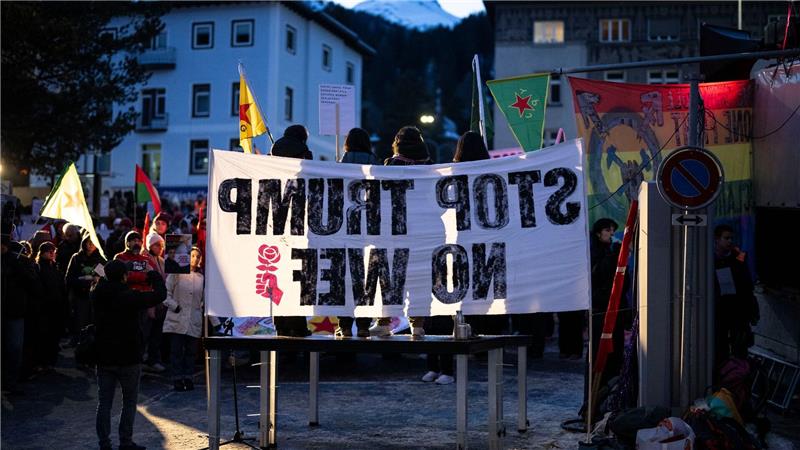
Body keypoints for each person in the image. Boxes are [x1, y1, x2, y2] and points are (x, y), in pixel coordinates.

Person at [92, 260, 167, 450]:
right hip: (128, 356)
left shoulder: (96, 293)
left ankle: (104, 444)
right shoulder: (129, 296)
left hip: (104, 355)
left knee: (104, 403)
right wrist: (152, 274)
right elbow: (160, 295)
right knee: (129, 401)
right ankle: (125, 442)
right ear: (124, 276)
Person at [371, 126, 431, 338]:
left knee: (389, 277)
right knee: (419, 278)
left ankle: (384, 322)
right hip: (423, 229)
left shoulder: (391, 165)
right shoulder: (429, 167)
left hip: (393, 229)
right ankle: (418, 325)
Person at [269, 125, 312, 339]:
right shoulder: (305, 153)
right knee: (297, 279)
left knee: (280, 276)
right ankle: (298, 327)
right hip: (298, 222)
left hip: (277, 222)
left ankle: (281, 326)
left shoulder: (274, 150)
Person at [335, 127, 376, 338]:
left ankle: (344, 325)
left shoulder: (338, 167)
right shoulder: (378, 166)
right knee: (366, 280)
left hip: (344, 232)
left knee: (345, 279)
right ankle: (363, 325)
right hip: (370, 233)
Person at [713, 224, 759, 370]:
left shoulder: (737, 259)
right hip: (719, 312)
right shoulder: (710, 260)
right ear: (717, 240)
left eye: (731, 238)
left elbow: (746, 288)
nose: (730, 241)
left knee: (739, 348)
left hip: (737, 312)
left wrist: (751, 312)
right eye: (726, 238)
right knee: (720, 348)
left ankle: (736, 377)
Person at [162, 247, 205, 391]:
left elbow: (205, 299)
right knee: (176, 351)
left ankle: (188, 377)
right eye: (193, 255)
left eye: (198, 256)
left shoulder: (201, 278)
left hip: (193, 319)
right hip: (177, 318)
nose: (195, 258)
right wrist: (175, 306)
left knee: (191, 352)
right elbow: (165, 294)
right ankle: (177, 379)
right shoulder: (176, 274)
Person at [1, 237, 39, 394]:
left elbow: (32, 282)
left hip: (14, 310)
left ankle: (10, 381)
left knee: (14, 348)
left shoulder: (19, 258)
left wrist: (16, 265)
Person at [65, 234, 107, 346]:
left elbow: (102, 278)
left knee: (93, 321)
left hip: (95, 296)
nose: (90, 245)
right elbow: (69, 277)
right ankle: (77, 341)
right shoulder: (76, 258)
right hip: (79, 295)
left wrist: (95, 279)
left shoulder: (100, 259)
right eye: (88, 242)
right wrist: (83, 280)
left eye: (93, 242)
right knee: (79, 320)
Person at [34, 241, 68, 372]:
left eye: (53, 251)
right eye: (49, 252)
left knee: (54, 336)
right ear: (42, 253)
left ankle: (50, 362)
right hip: (44, 308)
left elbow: (61, 287)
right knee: (44, 336)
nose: (52, 254)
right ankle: (42, 362)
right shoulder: (38, 268)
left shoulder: (55, 267)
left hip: (56, 307)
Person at [141, 232, 167, 372]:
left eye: (162, 245)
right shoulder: (145, 259)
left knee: (156, 333)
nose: (160, 247)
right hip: (149, 302)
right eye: (157, 245)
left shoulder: (162, 260)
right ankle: (142, 359)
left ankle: (152, 359)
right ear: (150, 245)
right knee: (146, 332)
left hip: (160, 302)